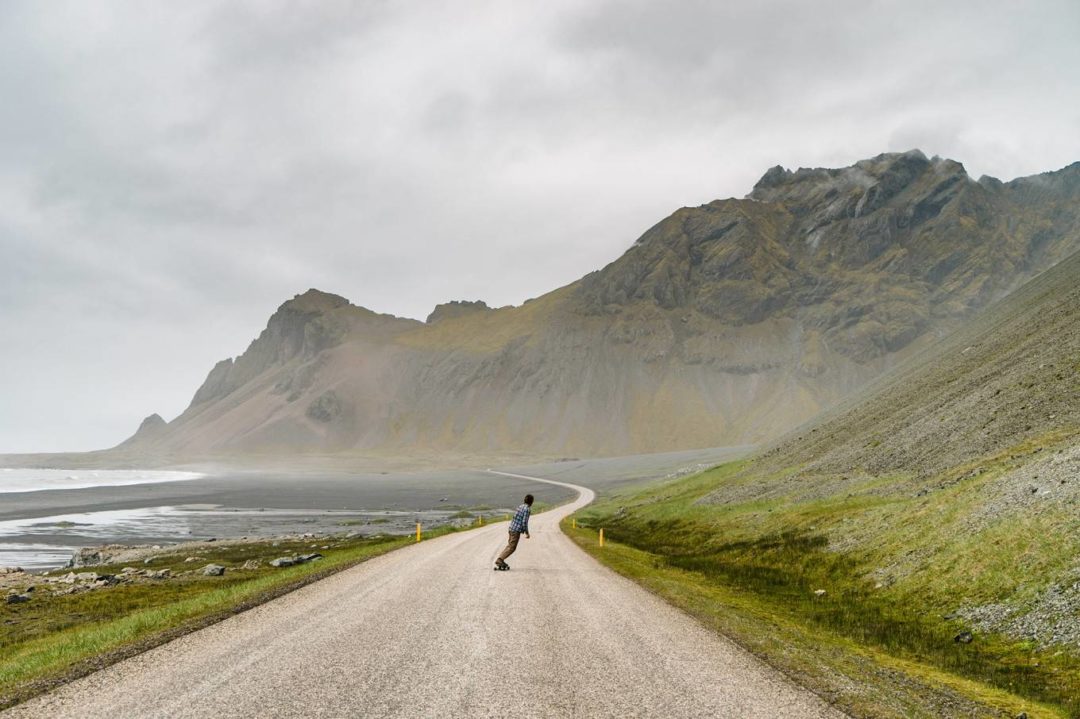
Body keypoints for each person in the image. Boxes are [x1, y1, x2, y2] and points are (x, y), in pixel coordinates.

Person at [494, 494, 533, 570]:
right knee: (512, 547)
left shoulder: (520, 506)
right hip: (516, 530)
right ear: (531, 502)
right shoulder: (527, 509)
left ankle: (501, 559)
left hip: (511, 528)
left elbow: (515, 517)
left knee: (509, 546)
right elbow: (524, 522)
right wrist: (527, 533)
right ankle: (500, 560)